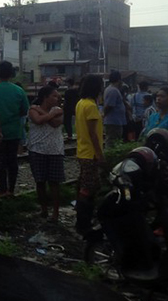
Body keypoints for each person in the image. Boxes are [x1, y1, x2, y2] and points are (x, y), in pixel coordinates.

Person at [0, 61, 29, 197]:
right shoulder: (19, 91)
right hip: (14, 132)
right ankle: (11, 190)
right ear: (12, 74)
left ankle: (2, 190)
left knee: (0, 162)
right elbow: (24, 111)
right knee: (12, 161)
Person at [28, 86, 65, 222]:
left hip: (55, 150)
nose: (57, 98)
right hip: (37, 149)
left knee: (54, 183)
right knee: (40, 182)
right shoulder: (32, 109)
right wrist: (47, 114)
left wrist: (43, 113)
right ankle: (44, 210)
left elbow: (56, 123)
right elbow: (37, 120)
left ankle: (55, 213)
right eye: (54, 96)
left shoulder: (58, 110)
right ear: (45, 97)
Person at [75, 74, 105, 235]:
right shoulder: (91, 106)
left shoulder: (81, 103)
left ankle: (82, 220)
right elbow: (93, 134)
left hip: (82, 150)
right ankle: (83, 224)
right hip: (90, 153)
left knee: (87, 185)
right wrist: (99, 154)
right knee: (88, 188)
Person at [102, 70, 126, 147]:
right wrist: (104, 115)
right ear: (119, 80)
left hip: (115, 120)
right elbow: (109, 105)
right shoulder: (113, 90)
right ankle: (109, 156)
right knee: (112, 141)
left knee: (113, 140)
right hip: (113, 121)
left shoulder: (111, 89)